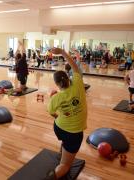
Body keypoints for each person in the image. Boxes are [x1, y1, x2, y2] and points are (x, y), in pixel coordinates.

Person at [46, 48, 87, 180]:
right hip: (73, 133)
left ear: (57, 84)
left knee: (65, 141)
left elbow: (51, 112)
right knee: (65, 166)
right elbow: (75, 66)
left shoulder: (56, 98)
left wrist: (58, 115)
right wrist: (63, 52)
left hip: (59, 128)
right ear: (68, 78)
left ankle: (65, 149)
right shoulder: (78, 84)